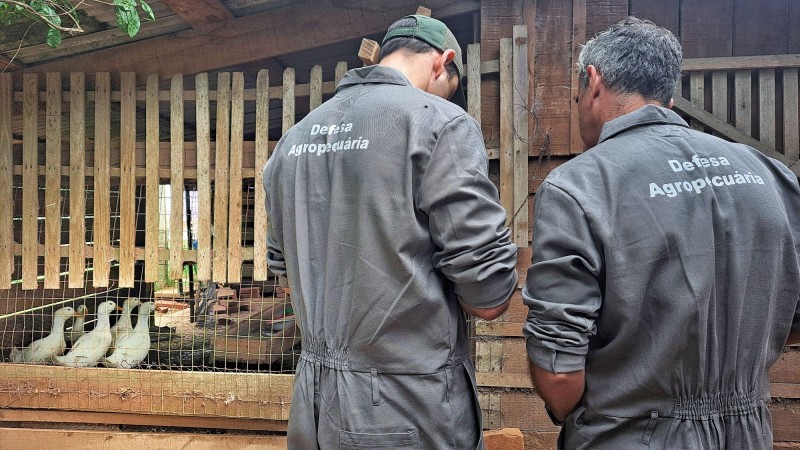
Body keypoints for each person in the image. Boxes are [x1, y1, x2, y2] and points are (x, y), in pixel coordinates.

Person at [522, 17, 800, 449]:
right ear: (668, 94)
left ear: (592, 83)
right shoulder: (770, 173)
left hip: (630, 435)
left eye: (577, 95)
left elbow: (558, 369)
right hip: (748, 433)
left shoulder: (579, 186)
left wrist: (575, 415)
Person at [263, 14, 518, 449]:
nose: (445, 96)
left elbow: (288, 282)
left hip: (313, 409)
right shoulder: (439, 123)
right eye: (450, 86)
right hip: (406, 409)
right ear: (443, 63)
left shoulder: (292, 142)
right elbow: (489, 295)